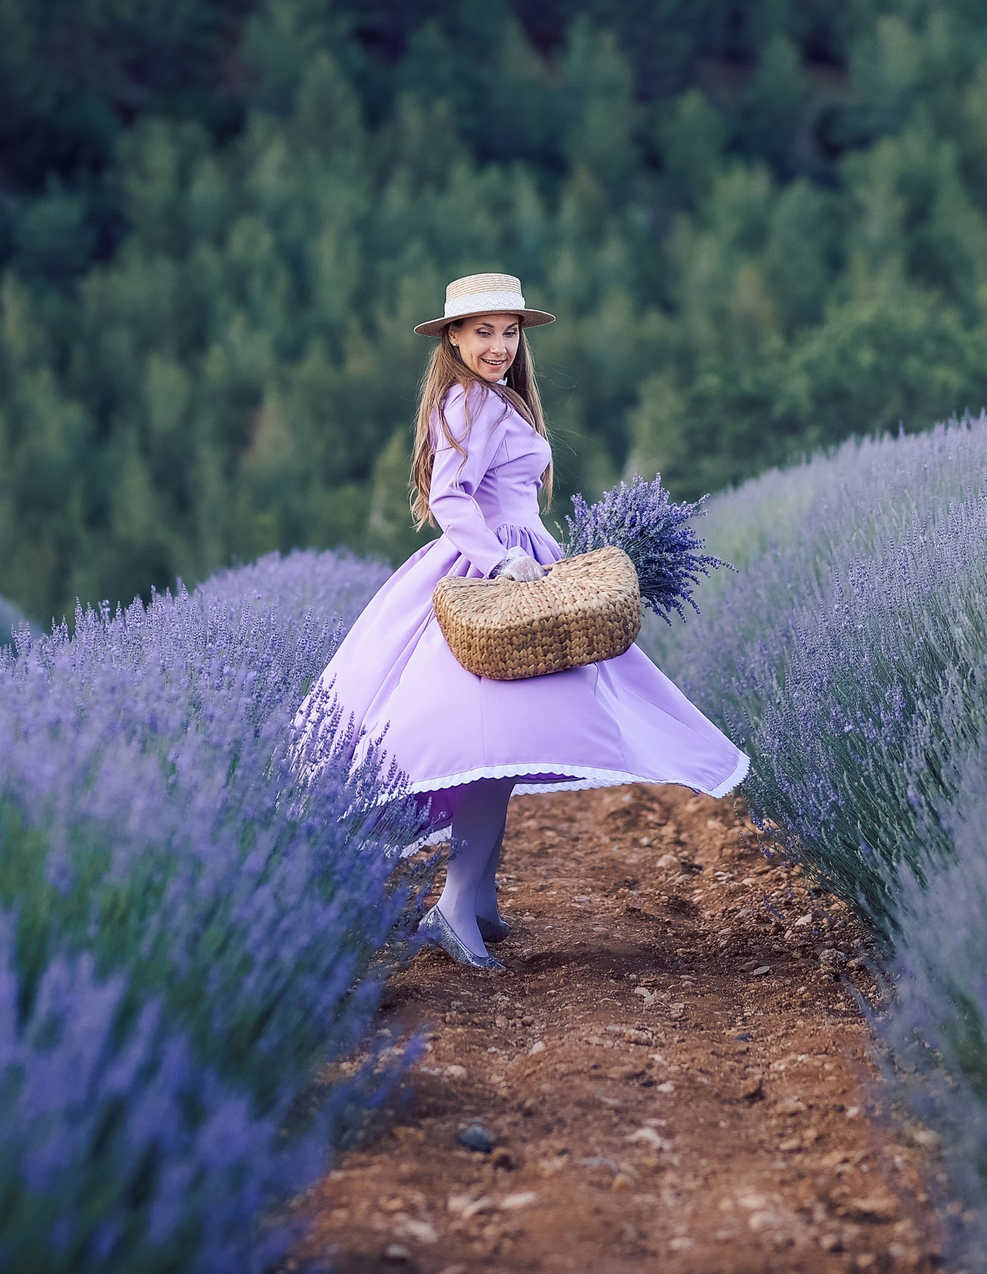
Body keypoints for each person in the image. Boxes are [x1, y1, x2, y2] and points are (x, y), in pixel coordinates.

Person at [313, 272, 749, 970]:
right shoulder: (470, 400)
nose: (497, 345)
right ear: (453, 336)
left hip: (514, 564)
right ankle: (455, 905)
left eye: (508, 331)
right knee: (494, 742)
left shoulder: (489, 399)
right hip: (489, 577)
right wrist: (499, 564)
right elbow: (450, 496)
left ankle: (477, 897)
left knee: (504, 741)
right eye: (481, 331)